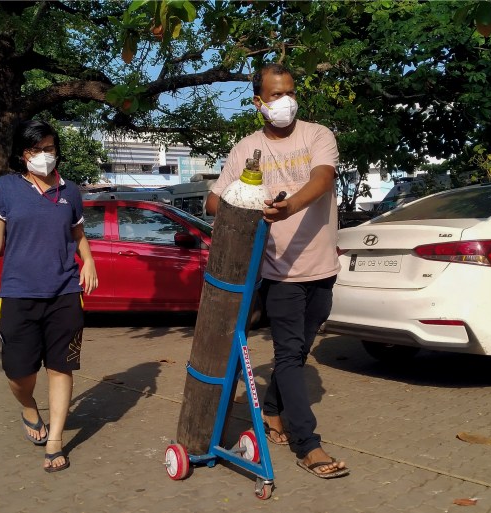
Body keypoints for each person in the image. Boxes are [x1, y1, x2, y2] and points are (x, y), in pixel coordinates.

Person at [205, 63, 349, 479]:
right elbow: (214, 203)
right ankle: (309, 446)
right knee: (288, 356)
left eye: (289, 91)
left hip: (322, 269)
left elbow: (323, 179)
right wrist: (247, 199)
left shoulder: (317, 135)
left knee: (300, 351)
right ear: (258, 102)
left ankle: (271, 412)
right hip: (278, 272)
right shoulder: (245, 149)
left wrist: (288, 206)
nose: (284, 101)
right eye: (274, 95)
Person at [0, 120, 97, 473]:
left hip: (65, 293)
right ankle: (28, 407)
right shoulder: (6, 188)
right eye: (36, 150)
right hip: (18, 293)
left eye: (50, 148)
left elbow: (78, 234)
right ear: (22, 155)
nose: (44, 156)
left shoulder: (70, 191)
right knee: (19, 373)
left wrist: (88, 261)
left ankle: (54, 441)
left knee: (61, 367)